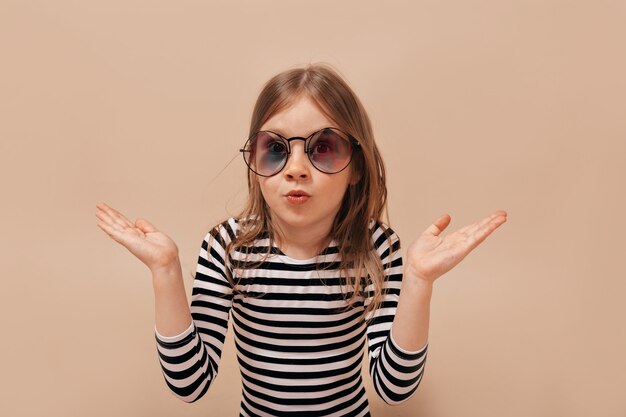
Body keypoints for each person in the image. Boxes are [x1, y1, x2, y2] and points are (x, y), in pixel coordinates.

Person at [95, 64, 507, 416]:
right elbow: (190, 383)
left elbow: (392, 388)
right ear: (254, 160)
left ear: (357, 167)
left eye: (323, 148)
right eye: (275, 149)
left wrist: (419, 281)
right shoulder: (227, 247)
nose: (296, 169)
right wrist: (165, 271)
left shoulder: (378, 247)